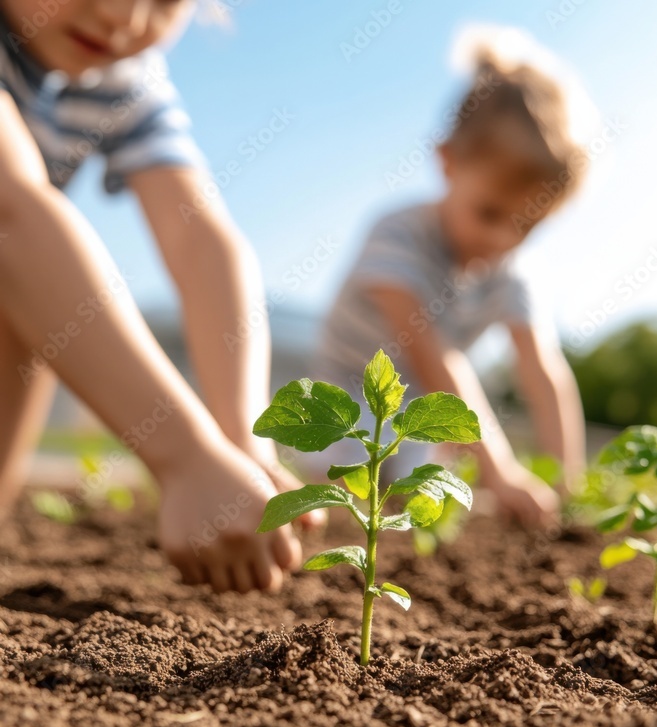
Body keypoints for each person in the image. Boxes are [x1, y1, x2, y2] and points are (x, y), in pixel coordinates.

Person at [0, 0, 322, 593]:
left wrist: (238, 441)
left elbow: (200, 241)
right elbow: (12, 213)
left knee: (34, 294)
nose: (122, 15)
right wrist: (186, 458)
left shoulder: (121, 75)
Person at [315, 28, 590, 527]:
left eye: (528, 223)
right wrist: (500, 469)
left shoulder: (512, 268)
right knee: (346, 481)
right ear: (447, 162)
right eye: (489, 213)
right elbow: (434, 354)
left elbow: (542, 368)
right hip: (346, 392)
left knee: (430, 502)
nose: (505, 239)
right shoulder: (398, 234)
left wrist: (565, 481)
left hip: (420, 408)